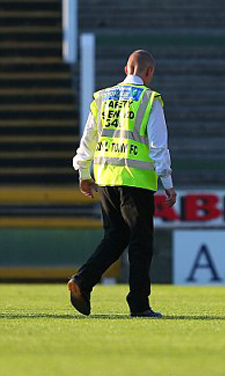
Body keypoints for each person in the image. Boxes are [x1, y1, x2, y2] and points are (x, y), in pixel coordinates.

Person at [70, 49, 177, 318]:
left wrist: (83, 173)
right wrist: (168, 181)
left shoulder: (101, 97)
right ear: (149, 72)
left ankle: (82, 282)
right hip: (136, 180)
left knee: (116, 237)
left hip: (105, 177)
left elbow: (88, 140)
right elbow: (157, 146)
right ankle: (139, 305)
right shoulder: (150, 100)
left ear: (125, 68)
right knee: (141, 243)